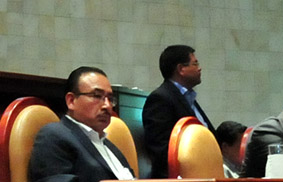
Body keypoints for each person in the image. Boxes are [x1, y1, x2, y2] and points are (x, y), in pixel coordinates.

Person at [29, 66, 135, 182]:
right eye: (97, 96)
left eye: (110, 98)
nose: (107, 105)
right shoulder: (53, 136)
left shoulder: (108, 145)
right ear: (71, 101)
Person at [142, 44, 215, 178]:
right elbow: (161, 150)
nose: (199, 68)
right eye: (195, 63)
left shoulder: (188, 98)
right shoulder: (160, 99)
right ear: (181, 69)